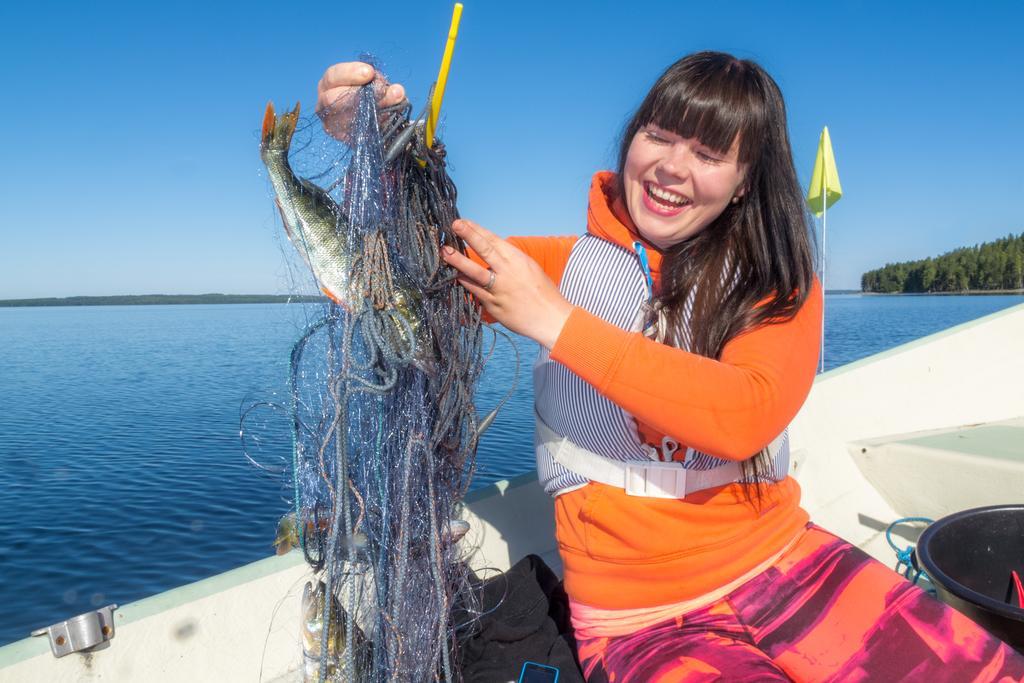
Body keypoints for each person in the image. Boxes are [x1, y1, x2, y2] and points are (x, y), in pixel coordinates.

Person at [316, 54, 1024, 681]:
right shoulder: (559, 268)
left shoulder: (775, 278)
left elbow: (743, 415)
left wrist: (553, 321)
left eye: (710, 152)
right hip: (637, 615)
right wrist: (372, 153)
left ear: (747, 181)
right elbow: (394, 283)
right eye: (659, 134)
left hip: (788, 560)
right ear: (631, 139)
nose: (672, 166)